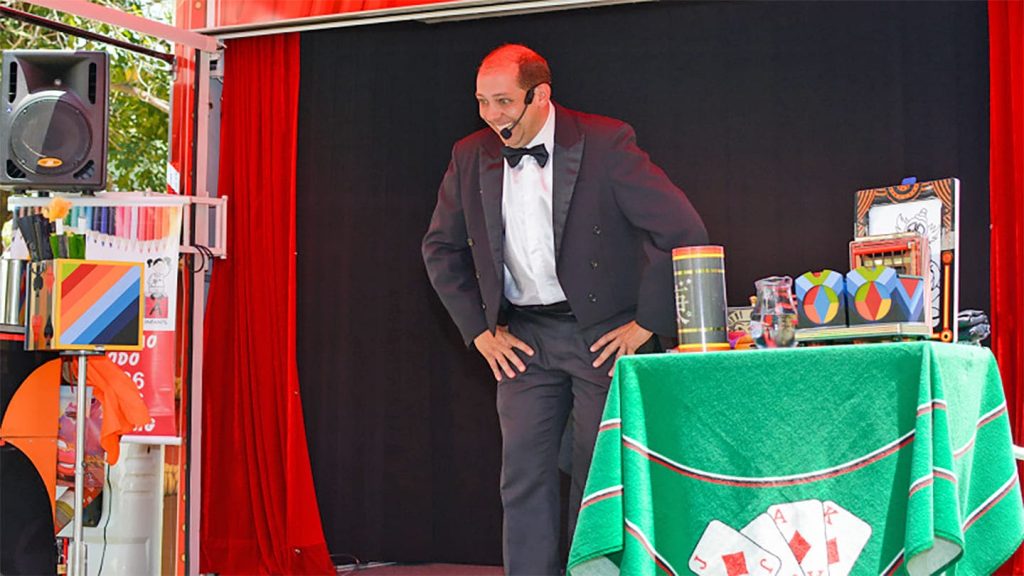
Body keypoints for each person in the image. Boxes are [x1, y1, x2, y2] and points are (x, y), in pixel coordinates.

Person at [422, 44, 707, 575]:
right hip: (523, 339)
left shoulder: (604, 142)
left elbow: (682, 230)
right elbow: (440, 247)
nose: (492, 116)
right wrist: (479, 332)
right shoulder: (470, 155)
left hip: (599, 336)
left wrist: (646, 324)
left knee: (595, 476)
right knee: (522, 477)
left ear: (540, 96)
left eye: (504, 102)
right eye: (482, 102)